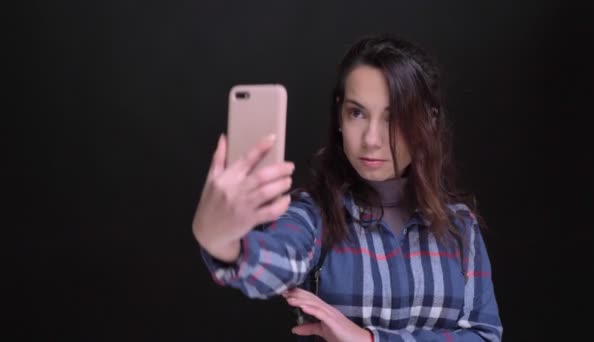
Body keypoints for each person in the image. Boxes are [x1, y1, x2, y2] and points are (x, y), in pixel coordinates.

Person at [192, 33, 503, 342]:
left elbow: (486, 337)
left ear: (429, 121)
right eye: (357, 113)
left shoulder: (460, 229)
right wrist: (224, 244)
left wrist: (370, 340)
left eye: (393, 118)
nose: (371, 138)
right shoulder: (314, 216)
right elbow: (277, 262)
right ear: (340, 115)